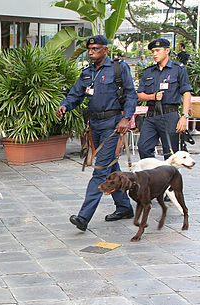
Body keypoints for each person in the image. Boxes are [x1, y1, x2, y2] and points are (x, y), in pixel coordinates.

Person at [56, 35, 138, 232]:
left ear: (105, 50)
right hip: (95, 124)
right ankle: (125, 207)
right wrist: (65, 106)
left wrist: (126, 118)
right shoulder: (87, 73)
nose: (91, 52)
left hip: (112, 124)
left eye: (95, 48)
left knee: (100, 169)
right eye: (89, 49)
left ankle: (84, 217)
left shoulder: (118, 68)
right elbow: (75, 94)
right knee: (110, 167)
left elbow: (131, 94)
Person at [137, 38, 192, 160]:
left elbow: (186, 93)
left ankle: (170, 178)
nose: (154, 54)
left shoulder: (178, 69)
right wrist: (153, 97)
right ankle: (153, 175)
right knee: (143, 147)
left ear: (167, 50)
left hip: (169, 115)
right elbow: (139, 94)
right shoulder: (148, 72)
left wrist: (184, 116)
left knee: (170, 153)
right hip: (151, 115)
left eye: (157, 50)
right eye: (152, 51)